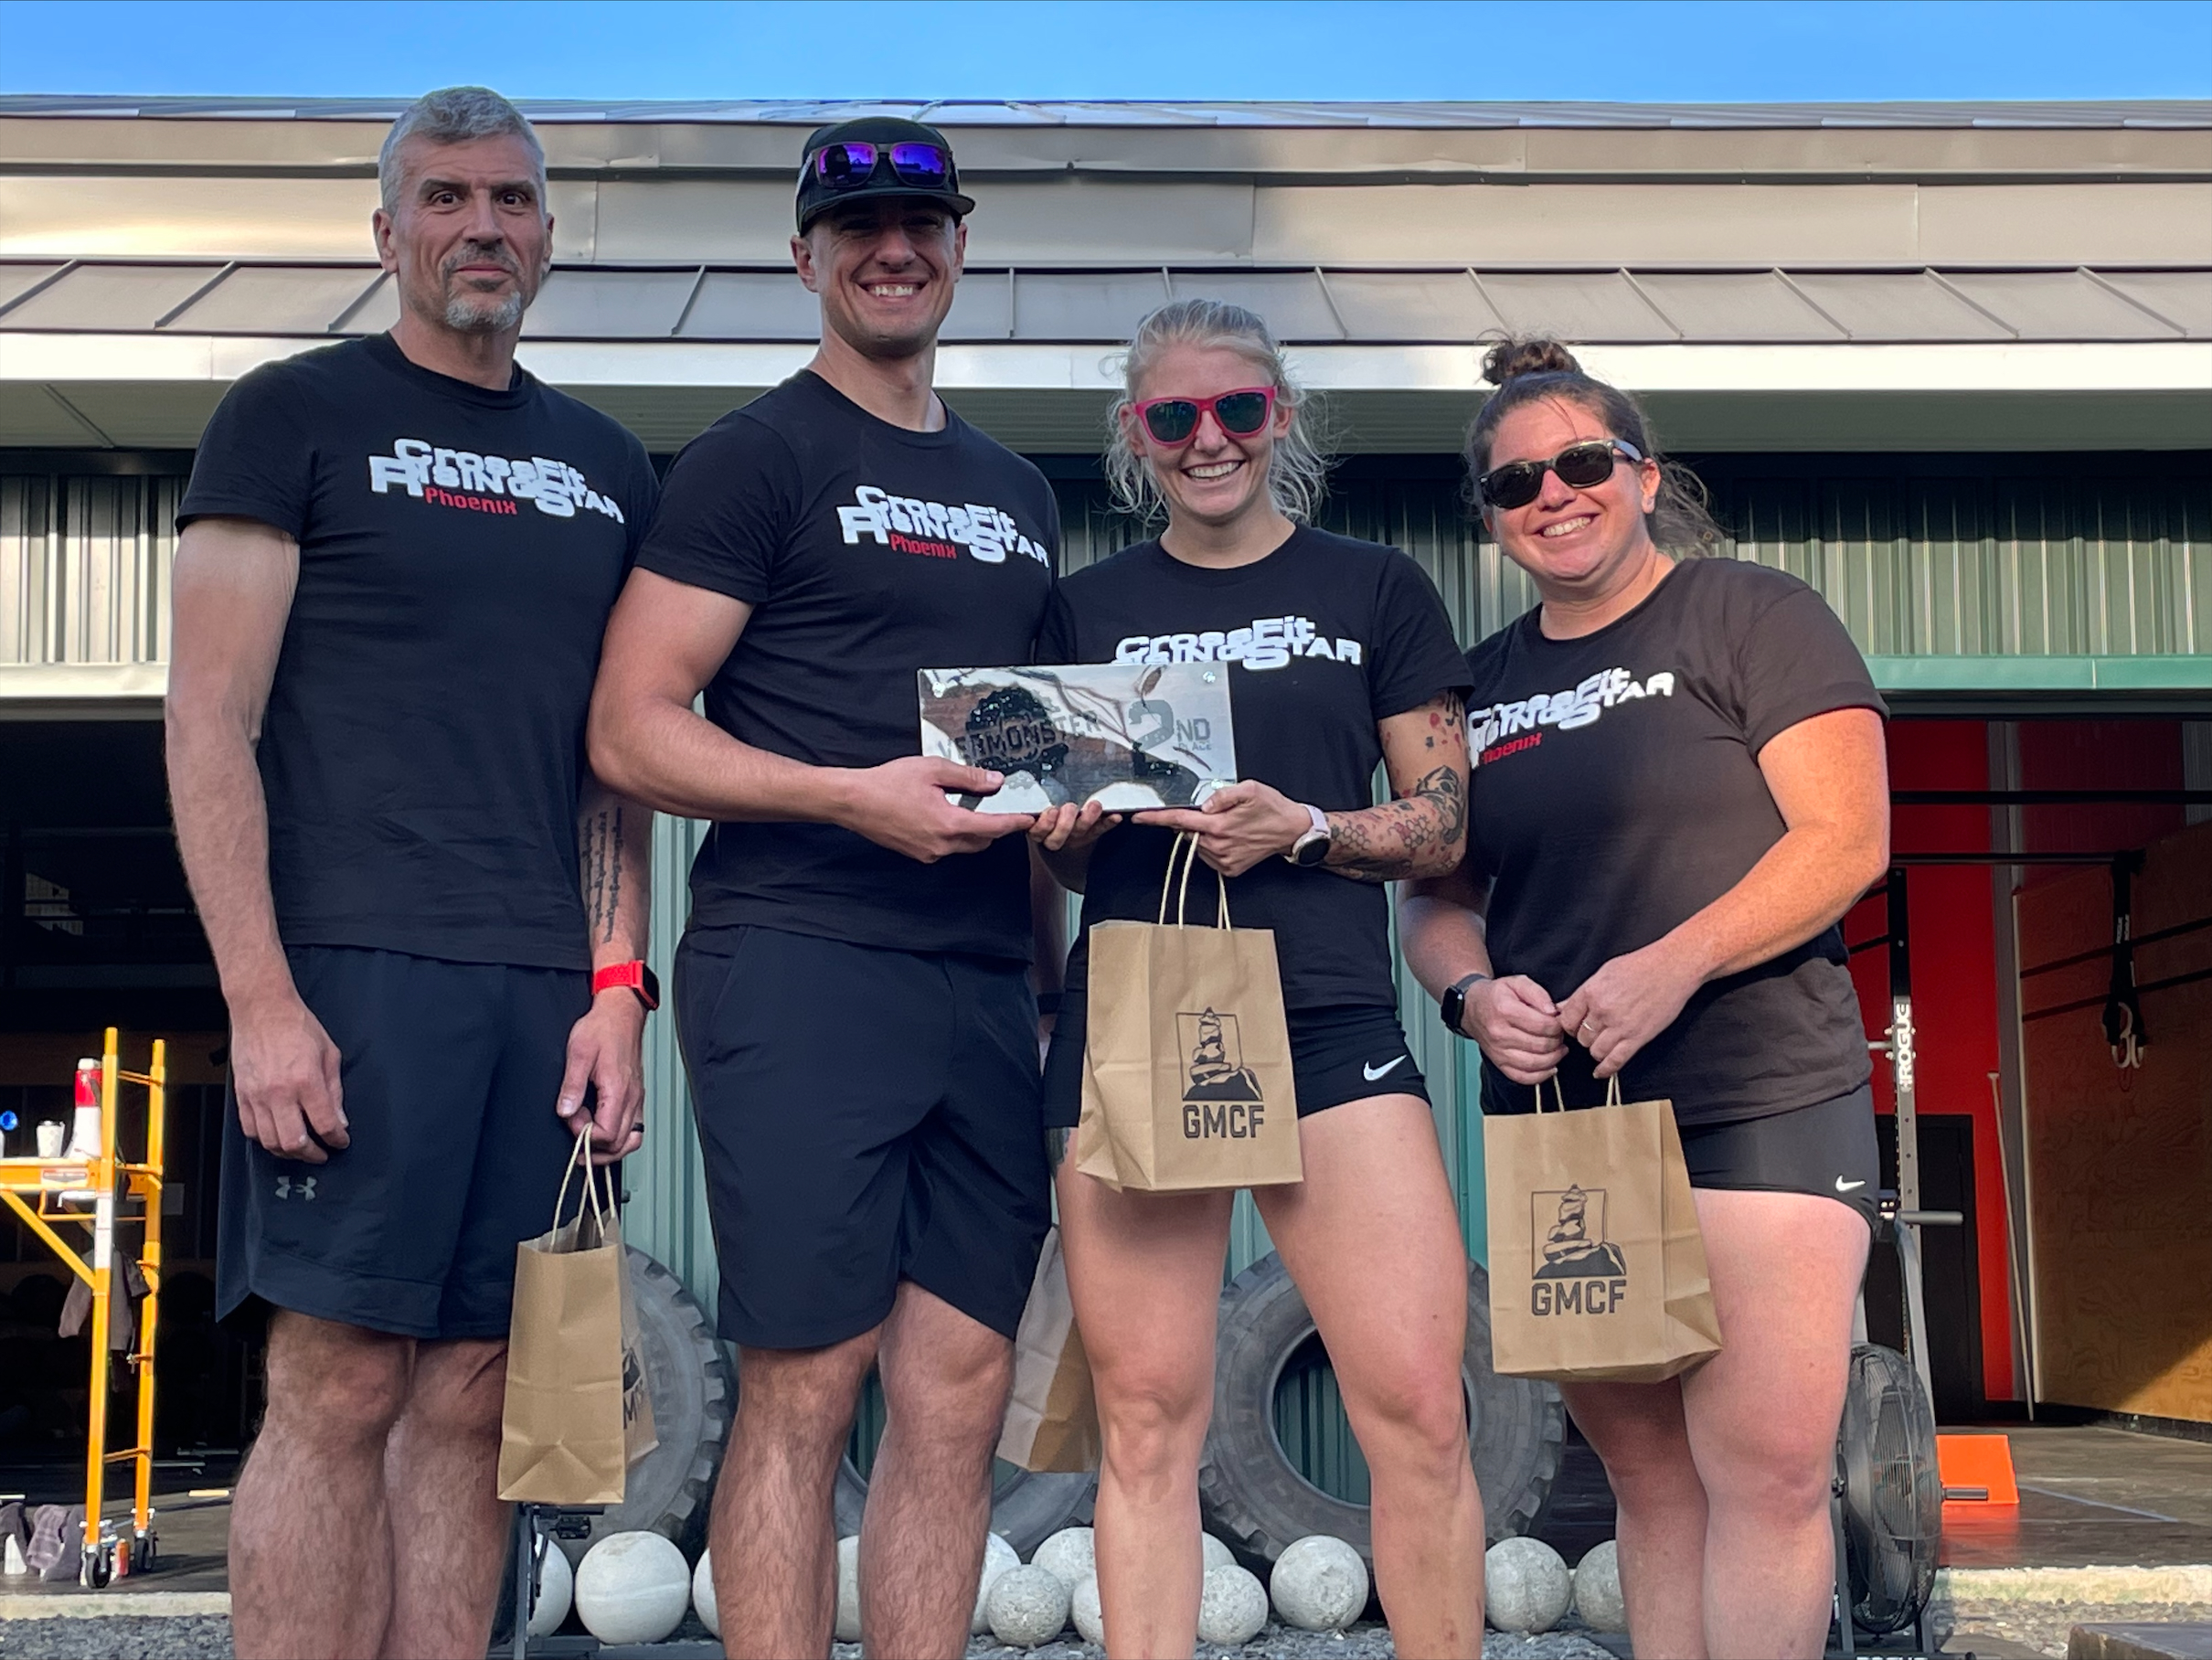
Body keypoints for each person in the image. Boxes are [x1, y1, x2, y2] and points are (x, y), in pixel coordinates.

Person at [165, 88, 658, 1660]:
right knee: (338, 1380)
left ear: (549, 238)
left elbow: (617, 765)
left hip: (541, 984)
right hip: (355, 974)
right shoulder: (292, 415)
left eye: (510, 200)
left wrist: (616, 992)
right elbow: (208, 723)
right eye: (445, 199)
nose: (482, 228)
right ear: (388, 233)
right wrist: (262, 998)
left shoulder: (604, 465)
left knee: (474, 1388)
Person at [585, 120, 1069, 1660]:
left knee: (959, 1391)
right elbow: (632, 724)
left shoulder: (1019, 493)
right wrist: (846, 799)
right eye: (854, 225)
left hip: (986, 984)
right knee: (806, 1378)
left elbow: (1029, 739)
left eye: (920, 224)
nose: (892, 249)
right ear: (806, 258)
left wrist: (1061, 838)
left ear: (960, 250)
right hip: (798, 960)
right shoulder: (755, 456)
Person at [1398, 338, 1890, 1660]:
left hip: (1758, 1093)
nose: (1553, 496)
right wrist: (1467, 995)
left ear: (1641, 474)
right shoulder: (1481, 687)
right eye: (1516, 486)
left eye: (1579, 463)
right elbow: (1439, 898)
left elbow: (1846, 838)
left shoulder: (1751, 613)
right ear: (1492, 520)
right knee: (1648, 1480)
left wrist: (1675, 960)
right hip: (1568, 1121)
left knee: (1767, 1475)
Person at [1036, 299, 1487, 1658]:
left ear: (1280, 417)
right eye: (1175, 417)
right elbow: (1063, 855)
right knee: (1148, 1421)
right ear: (1137, 435)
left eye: (1239, 410)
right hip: (1135, 1028)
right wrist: (1062, 829)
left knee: (1417, 1411)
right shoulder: (1083, 608)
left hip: (1330, 1020)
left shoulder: (1376, 589)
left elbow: (1447, 820)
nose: (1209, 439)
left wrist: (1308, 826)